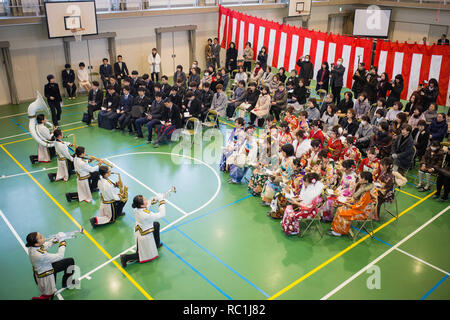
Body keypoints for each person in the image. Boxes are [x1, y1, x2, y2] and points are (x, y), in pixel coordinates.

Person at [120, 193, 166, 267]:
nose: (146, 200)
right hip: (145, 235)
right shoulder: (146, 215)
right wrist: (162, 201)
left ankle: (156, 244)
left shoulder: (137, 208)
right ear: (141, 205)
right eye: (144, 200)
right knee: (144, 255)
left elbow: (147, 204)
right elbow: (162, 214)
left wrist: (155, 199)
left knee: (156, 225)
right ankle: (125, 258)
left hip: (140, 230)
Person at [26, 231, 75, 299]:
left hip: (45, 269)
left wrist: (56, 239)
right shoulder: (40, 255)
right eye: (40, 237)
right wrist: (62, 242)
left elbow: (46, 245)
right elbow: (60, 256)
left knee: (69, 261)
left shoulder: (32, 247)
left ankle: (67, 283)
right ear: (36, 243)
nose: (42, 237)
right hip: (46, 275)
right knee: (49, 294)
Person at [329, 171, 376, 236]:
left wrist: (349, 205)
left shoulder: (367, 192)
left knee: (342, 212)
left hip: (363, 211)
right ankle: (336, 228)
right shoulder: (362, 185)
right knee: (340, 208)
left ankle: (339, 232)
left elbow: (361, 205)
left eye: (361, 178)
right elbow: (358, 199)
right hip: (358, 206)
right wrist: (349, 200)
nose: (359, 179)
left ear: (366, 181)